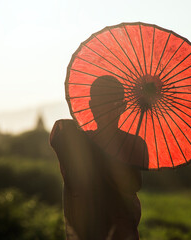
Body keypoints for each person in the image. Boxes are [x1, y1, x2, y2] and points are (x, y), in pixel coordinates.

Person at [50, 75, 148, 240]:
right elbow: (58, 133)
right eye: (100, 105)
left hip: (121, 232)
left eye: (113, 105)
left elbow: (134, 185)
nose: (106, 111)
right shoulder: (80, 140)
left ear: (123, 107)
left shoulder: (134, 143)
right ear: (91, 106)